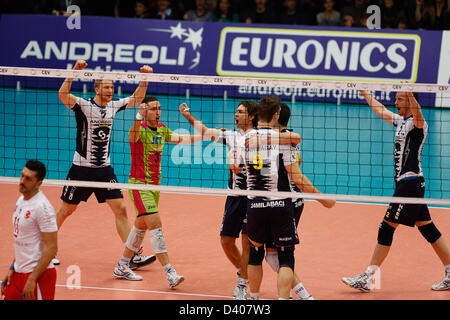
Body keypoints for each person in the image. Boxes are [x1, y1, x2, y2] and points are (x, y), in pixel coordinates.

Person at [341, 89, 450, 292]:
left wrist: (408, 92)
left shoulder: (418, 124)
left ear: (410, 101)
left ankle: (368, 278)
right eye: (396, 98)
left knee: (386, 227)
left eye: (400, 99)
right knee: (428, 229)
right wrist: (365, 94)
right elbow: (381, 111)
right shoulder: (400, 121)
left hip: (410, 184)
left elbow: (418, 112)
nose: (395, 101)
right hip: (407, 185)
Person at [54, 59, 156, 270]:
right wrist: (74, 71)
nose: (110, 90)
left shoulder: (114, 105)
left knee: (120, 208)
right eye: (107, 87)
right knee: (66, 210)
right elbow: (62, 95)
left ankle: (133, 255)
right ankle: (45, 248)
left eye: (112, 86)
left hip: (104, 170)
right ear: (97, 88)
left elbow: (137, 98)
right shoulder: (83, 105)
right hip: (81, 169)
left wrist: (145, 78)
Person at [232, 95, 335, 299]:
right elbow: (296, 176)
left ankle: (253, 298)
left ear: (257, 114)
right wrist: (324, 199)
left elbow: (236, 168)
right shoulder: (285, 139)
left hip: (255, 205)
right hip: (281, 205)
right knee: (286, 258)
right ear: (276, 114)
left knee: (255, 255)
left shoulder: (243, 139)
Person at [113, 97, 206, 288]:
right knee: (155, 224)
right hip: (140, 185)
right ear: (145, 111)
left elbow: (182, 139)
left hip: (155, 187)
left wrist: (207, 136)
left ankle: (122, 265)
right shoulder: (139, 130)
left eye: (159, 108)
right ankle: (170, 272)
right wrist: (138, 115)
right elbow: (132, 135)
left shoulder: (162, 129)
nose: (158, 112)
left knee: (140, 226)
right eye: (153, 109)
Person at [178, 101, 259, 299]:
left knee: (247, 242)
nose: (236, 115)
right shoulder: (230, 134)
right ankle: (244, 273)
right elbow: (205, 132)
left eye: (240, 112)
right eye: (236, 111)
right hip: (234, 196)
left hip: (253, 197)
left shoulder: (261, 136)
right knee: (226, 241)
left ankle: (242, 283)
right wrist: (188, 116)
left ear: (251, 117)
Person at [1, 160, 57, 300]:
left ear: (38, 183)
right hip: (18, 273)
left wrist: (32, 278)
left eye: (28, 179)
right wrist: (11, 269)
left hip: (39, 276)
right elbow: (22, 240)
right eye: (22, 176)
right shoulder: (21, 201)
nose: (22, 181)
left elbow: (52, 248)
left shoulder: (43, 208)